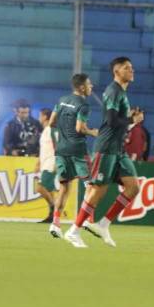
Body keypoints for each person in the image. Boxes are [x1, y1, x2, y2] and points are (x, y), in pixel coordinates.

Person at [64, 57, 144, 248]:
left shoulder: (122, 93)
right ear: (116, 72)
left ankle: (103, 224)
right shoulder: (113, 91)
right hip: (106, 147)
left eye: (132, 67)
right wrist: (133, 120)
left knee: (133, 187)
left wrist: (130, 119)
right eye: (126, 68)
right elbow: (111, 120)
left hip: (118, 149)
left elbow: (117, 120)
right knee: (99, 189)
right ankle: (73, 231)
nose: (131, 70)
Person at [48, 73, 98, 238]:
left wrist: (63, 130)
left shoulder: (61, 100)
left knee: (64, 187)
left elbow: (51, 122)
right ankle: (87, 219)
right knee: (91, 185)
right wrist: (93, 132)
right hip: (77, 149)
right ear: (82, 87)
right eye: (89, 85)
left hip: (61, 149)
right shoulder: (83, 105)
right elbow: (80, 128)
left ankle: (55, 224)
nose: (91, 87)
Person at [35, 108, 57, 224]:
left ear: (44, 117)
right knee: (49, 190)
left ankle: (54, 208)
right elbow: (44, 148)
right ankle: (53, 216)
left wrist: (57, 161)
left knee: (40, 188)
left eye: (40, 115)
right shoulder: (46, 130)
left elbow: (58, 145)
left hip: (51, 162)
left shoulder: (51, 130)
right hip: (46, 163)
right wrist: (39, 162)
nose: (39, 118)